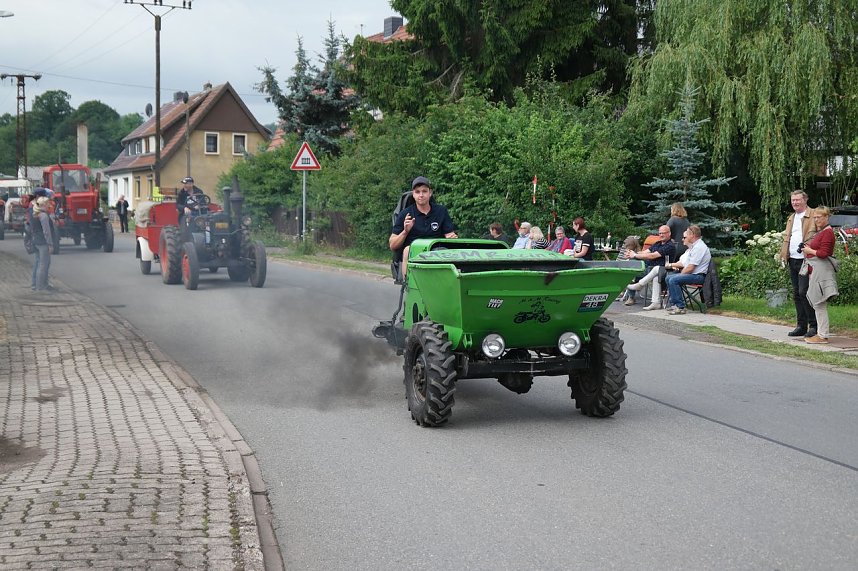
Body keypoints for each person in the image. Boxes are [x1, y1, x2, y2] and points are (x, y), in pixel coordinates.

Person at [389, 176, 457, 277]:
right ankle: (407, 282)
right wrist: (405, 232)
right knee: (407, 250)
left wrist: (452, 238)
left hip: (436, 252)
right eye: (417, 192)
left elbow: (449, 235)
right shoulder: (405, 214)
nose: (421, 195)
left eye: (424, 191)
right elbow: (392, 245)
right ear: (413, 194)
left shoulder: (441, 211)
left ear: (430, 193)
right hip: (414, 255)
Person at [779, 190, 817, 338]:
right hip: (793, 259)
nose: (795, 202)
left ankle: (814, 325)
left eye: (798, 200)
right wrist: (784, 254)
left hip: (806, 259)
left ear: (805, 200)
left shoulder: (813, 215)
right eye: (793, 200)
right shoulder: (792, 217)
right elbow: (788, 237)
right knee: (796, 293)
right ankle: (801, 325)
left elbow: (819, 235)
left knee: (804, 292)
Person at [801, 207, 838, 344]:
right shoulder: (822, 231)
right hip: (816, 269)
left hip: (821, 270)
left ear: (827, 217)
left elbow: (824, 253)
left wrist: (809, 250)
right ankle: (821, 333)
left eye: (819, 217)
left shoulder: (827, 232)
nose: (816, 219)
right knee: (817, 302)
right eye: (815, 217)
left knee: (819, 302)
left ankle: (822, 335)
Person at [623, 225, 676, 309]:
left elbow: (652, 256)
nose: (661, 235)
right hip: (647, 268)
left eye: (663, 233)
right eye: (660, 233)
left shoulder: (670, 246)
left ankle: (635, 290)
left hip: (660, 270)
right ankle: (631, 297)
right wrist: (631, 253)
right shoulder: (657, 243)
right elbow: (645, 252)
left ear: (669, 233)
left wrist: (635, 255)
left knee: (632, 269)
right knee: (631, 264)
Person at [664, 224, 711, 315]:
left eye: (687, 234)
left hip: (698, 276)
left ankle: (680, 307)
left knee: (673, 279)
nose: (684, 237)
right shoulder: (694, 246)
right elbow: (686, 264)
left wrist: (680, 274)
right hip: (693, 274)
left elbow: (690, 267)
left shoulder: (699, 247)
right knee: (668, 277)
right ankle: (674, 304)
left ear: (692, 235)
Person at [30, 196, 55, 292]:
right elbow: (46, 231)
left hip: (36, 241)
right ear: (43, 205)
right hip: (43, 242)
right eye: (47, 203)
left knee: (38, 263)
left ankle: (36, 284)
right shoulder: (43, 216)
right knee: (44, 264)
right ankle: (41, 286)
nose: (49, 205)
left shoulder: (34, 214)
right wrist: (50, 244)